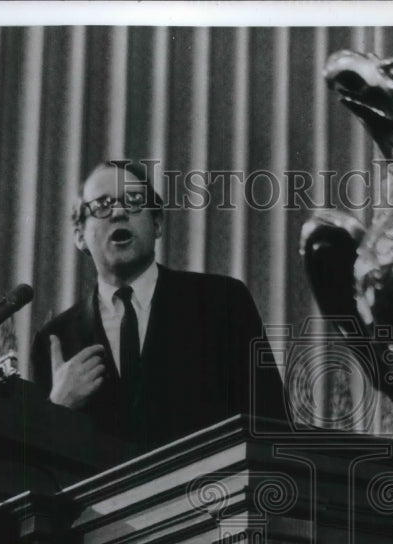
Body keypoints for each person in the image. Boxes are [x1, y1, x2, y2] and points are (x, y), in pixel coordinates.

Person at [31, 160, 287, 453]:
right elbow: (40, 473)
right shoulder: (55, 341)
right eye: (102, 205)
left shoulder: (223, 301)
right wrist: (57, 408)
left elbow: (271, 423)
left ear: (157, 224)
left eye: (134, 202)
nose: (118, 212)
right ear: (80, 235)